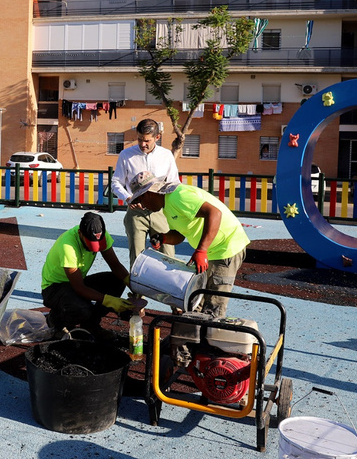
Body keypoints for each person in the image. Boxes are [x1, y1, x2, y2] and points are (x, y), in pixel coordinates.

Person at [127, 171, 250, 318]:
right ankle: (194, 336)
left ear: (149, 193)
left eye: (141, 200)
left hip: (226, 247)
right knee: (195, 299)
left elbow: (214, 213)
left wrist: (201, 250)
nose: (142, 205)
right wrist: (164, 238)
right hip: (211, 249)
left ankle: (209, 338)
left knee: (214, 305)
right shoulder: (167, 206)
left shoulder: (178, 196)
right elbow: (180, 234)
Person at [41, 212, 133, 338]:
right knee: (83, 309)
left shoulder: (100, 234)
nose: (94, 248)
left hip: (77, 281)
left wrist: (134, 287)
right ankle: (56, 320)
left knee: (117, 281)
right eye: (90, 244)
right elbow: (79, 288)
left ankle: (91, 326)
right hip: (54, 288)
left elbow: (116, 265)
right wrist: (109, 300)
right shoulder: (68, 246)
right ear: (80, 233)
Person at [111, 119, 180, 265]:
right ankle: (137, 288)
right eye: (140, 139)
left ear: (157, 137)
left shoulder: (166, 155)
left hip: (160, 213)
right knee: (136, 259)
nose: (143, 144)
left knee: (168, 256)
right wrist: (128, 197)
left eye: (147, 140)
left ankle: (167, 288)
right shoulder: (126, 155)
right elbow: (115, 182)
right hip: (136, 214)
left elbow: (174, 183)